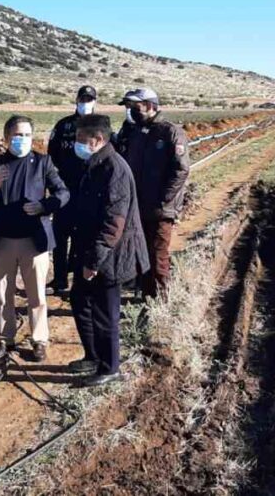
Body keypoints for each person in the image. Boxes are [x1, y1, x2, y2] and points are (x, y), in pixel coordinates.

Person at [0, 115, 69, 361]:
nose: (23, 139)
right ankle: (4, 339)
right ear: (7, 137)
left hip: (34, 239)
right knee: (2, 292)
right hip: (3, 239)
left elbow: (62, 192)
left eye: (27, 135)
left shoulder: (43, 162)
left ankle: (39, 340)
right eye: (18, 135)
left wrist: (44, 206)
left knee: (36, 293)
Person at [69, 114, 149, 386]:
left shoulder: (115, 169)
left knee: (105, 312)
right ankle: (92, 356)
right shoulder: (94, 164)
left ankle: (109, 367)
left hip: (110, 255)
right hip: (91, 249)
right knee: (80, 301)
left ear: (98, 139)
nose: (76, 144)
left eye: (81, 139)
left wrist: (94, 260)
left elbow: (113, 222)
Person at [118, 88, 190, 300]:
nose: (131, 111)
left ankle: (159, 301)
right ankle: (145, 295)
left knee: (157, 254)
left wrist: (163, 199)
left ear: (150, 106)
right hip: (138, 206)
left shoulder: (170, 132)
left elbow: (181, 169)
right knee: (141, 252)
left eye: (135, 107)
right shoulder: (136, 133)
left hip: (160, 209)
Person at [46, 85, 97, 297]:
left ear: (95, 101)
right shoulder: (63, 125)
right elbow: (52, 155)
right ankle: (59, 280)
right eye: (82, 98)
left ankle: (77, 280)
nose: (85, 102)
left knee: (82, 239)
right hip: (64, 191)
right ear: (76, 100)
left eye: (89, 99)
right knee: (59, 237)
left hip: (89, 192)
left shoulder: (101, 125)